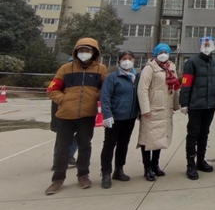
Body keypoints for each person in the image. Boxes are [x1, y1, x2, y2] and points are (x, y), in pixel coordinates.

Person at [45, 38, 108, 195]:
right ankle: (58, 179)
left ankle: (83, 175)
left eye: (87, 50)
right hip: (65, 115)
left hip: (87, 115)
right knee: (62, 148)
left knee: (85, 146)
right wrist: (64, 100)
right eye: (81, 50)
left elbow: (105, 89)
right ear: (76, 52)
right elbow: (52, 89)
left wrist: (94, 97)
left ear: (94, 52)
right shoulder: (65, 69)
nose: (84, 53)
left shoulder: (101, 69)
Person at [179, 36, 215, 180]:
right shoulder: (192, 62)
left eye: (210, 44)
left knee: (204, 133)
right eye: (205, 44)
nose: (207, 46)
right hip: (196, 105)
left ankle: (201, 160)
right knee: (193, 134)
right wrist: (184, 103)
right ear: (200, 46)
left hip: (210, 105)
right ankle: (190, 165)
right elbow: (186, 83)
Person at [137, 43, 180, 181]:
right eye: (160, 52)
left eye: (166, 52)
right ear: (156, 54)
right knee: (147, 138)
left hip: (165, 109)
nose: (163, 54)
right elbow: (142, 89)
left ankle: (155, 165)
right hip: (151, 109)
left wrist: (175, 105)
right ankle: (147, 168)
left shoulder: (171, 67)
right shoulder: (149, 68)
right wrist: (145, 109)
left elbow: (175, 87)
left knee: (159, 139)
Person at [99, 51, 140, 189]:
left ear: (134, 61)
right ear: (119, 61)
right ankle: (106, 173)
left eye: (130, 58)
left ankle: (119, 169)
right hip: (114, 117)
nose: (127, 61)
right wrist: (107, 114)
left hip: (130, 117)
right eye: (124, 59)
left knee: (123, 144)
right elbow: (105, 97)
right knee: (109, 144)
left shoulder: (136, 77)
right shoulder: (112, 77)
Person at [50, 101, 77, 170]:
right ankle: (59, 161)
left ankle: (66, 157)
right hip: (62, 114)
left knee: (81, 135)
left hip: (76, 111)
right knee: (61, 139)